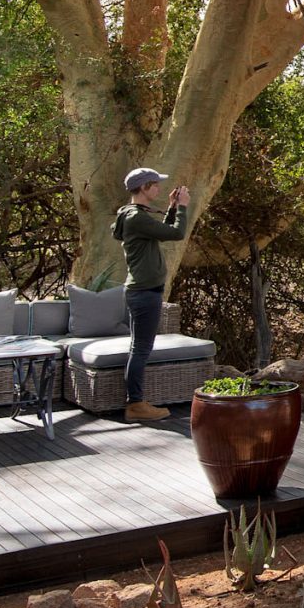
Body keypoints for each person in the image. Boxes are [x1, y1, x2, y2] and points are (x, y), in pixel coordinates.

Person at [112, 167, 190, 421]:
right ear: (144, 188)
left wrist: (170, 208)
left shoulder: (134, 216)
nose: (158, 189)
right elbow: (176, 233)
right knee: (141, 349)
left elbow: (162, 232)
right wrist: (182, 208)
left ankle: (135, 402)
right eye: (155, 185)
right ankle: (135, 404)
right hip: (144, 292)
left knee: (138, 347)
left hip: (140, 291)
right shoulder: (136, 217)